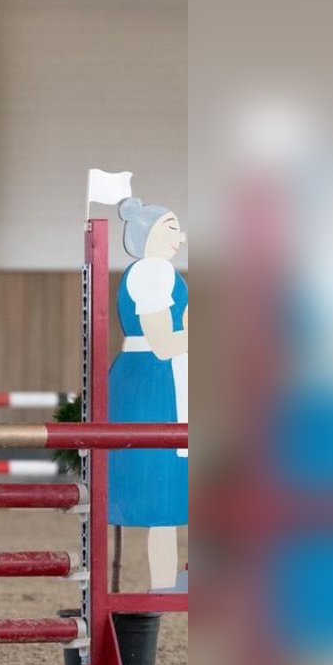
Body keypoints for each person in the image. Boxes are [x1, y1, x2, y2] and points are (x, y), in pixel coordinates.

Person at [107, 197, 189, 592]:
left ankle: (165, 583)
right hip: (156, 379)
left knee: (167, 497)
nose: (181, 237)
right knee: (162, 487)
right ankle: (162, 585)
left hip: (152, 377)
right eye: (172, 228)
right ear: (151, 233)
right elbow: (163, 343)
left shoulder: (154, 271)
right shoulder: (154, 271)